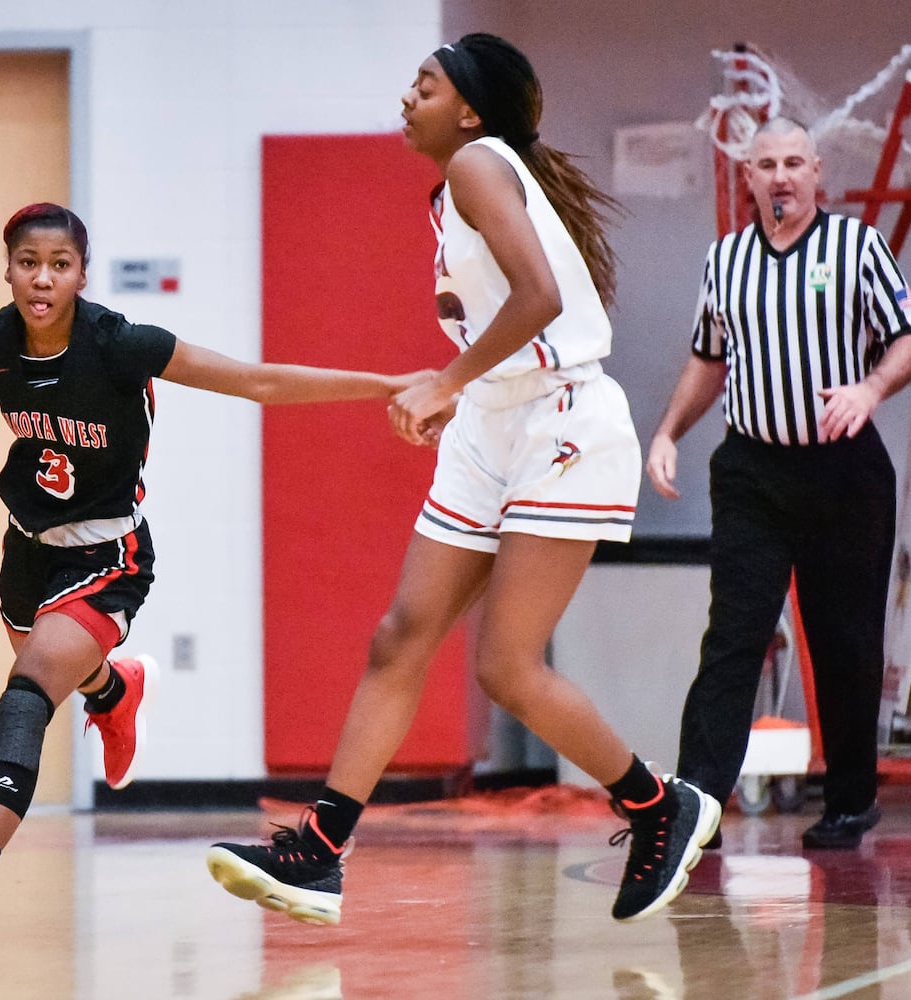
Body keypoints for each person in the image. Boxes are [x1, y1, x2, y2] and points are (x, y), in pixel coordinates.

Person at [0, 202, 428, 940]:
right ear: (8, 271)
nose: (42, 278)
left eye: (59, 264)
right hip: (25, 553)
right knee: (53, 668)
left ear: (83, 274)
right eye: (28, 263)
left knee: (27, 696)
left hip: (107, 556)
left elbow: (258, 382)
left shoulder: (119, 345)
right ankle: (116, 691)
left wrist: (390, 383)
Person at [205, 33, 721, 927]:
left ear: (472, 111)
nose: (408, 98)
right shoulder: (456, 185)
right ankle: (319, 853)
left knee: (507, 668)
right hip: (495, 420)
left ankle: (658, 806)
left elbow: (539, 297)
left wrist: (446, 380)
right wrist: (464, 391)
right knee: (399, 636)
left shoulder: (481, 162)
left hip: (562, 418)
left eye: (426, 86)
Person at [645, 117, 911, 850]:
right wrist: (668, 430)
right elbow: (709, 358)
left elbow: (910, 335)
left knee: (845, 639)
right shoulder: (725, 260)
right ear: (748, 178)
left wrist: (869, 389)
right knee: (734, 636)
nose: (780, 175)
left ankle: (850, 801)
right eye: (765, 163)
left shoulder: (856, 246)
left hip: (844, 470)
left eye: (793, 162)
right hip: (754, 471)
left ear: (817, 174)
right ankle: (695, 803)